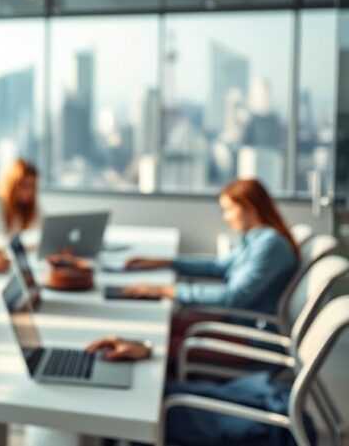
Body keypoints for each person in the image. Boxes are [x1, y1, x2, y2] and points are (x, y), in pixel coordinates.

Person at [119, 178, 298, 315]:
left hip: (250, 334)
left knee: (160, 336)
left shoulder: (270, 245)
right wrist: (164, 262)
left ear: (249, 207)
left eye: (229, 209)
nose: (226, 217)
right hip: (234, 320)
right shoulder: (255, 240)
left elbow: (232, 297)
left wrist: (165, 290)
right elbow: (217, 266)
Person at [84, 338, 312, 445]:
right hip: (271, 402)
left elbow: (233, 294)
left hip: (256, 346)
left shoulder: (271, 246)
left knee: (141, 401)